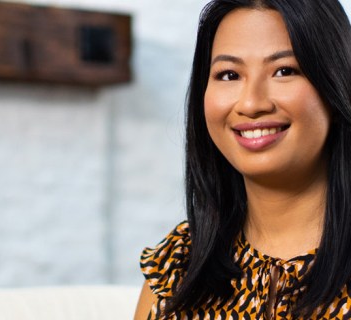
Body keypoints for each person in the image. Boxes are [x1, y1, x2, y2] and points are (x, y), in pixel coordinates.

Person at [134, 0, 351, 319]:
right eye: (229, 74)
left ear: (336, 84)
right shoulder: (178, 266)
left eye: (284, 70)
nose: (251, 103)